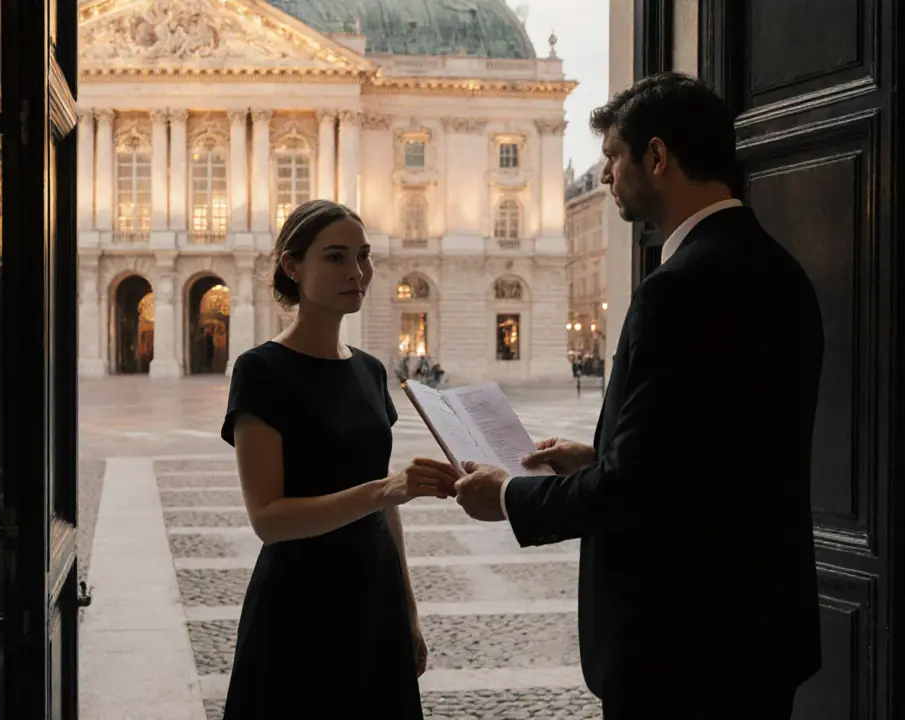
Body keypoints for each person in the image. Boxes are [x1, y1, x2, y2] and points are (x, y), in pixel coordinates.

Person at [413, 72, 825, 719]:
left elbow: (638, 491)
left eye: (612, 157)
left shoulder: (679, 289)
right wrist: (597, 456)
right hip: (758, 626)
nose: (604, 176)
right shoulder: (781, 270)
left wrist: (509, 496)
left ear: (656, 157)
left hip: (680, 644)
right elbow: (714, 450)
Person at [218, 199, 445, 718]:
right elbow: (268, 519)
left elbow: (386, 510)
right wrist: (385, 489)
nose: (357, 272)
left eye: (363, 256)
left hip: (375, 594)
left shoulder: (370, 370)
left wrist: (408, 609)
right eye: (336, 257)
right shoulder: (261, 371)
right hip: (299, 604)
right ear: (292, 266)